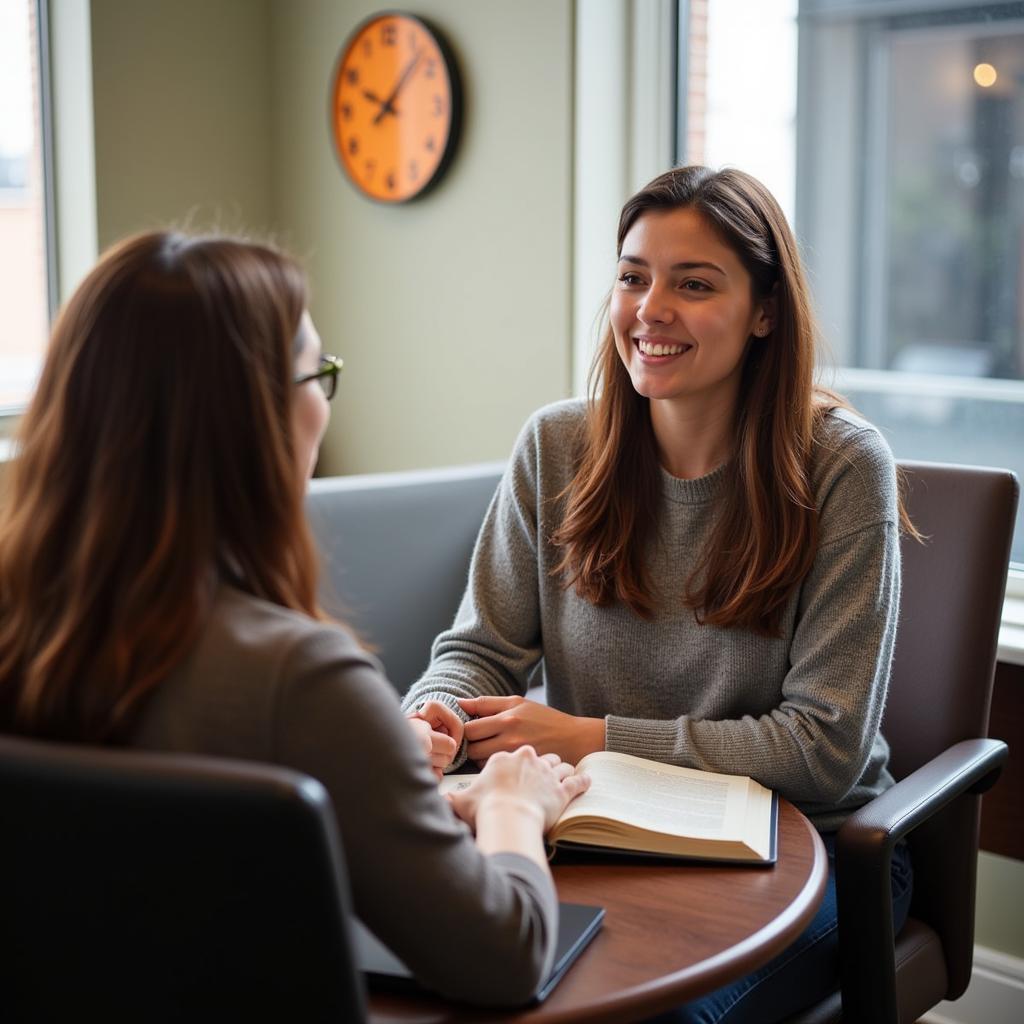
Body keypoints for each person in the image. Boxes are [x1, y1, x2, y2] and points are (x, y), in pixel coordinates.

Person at [0, 230, 589, 1007]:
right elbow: (506, 959)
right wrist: (514, 806)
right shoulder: (302, 680)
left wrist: (388, 786)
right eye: (319, 371)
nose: (324, 398)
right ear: (250, 417)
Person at [400, 165, 914, 1023]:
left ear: (765, 312)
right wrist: (432, 717)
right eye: (633, 276)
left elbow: (823, 749)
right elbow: (480, 648)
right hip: (602, 833)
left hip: (809, 854)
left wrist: (590, 736)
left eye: (694, 283)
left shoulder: (846, 467)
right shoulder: (557, 445)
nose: (651, 309)